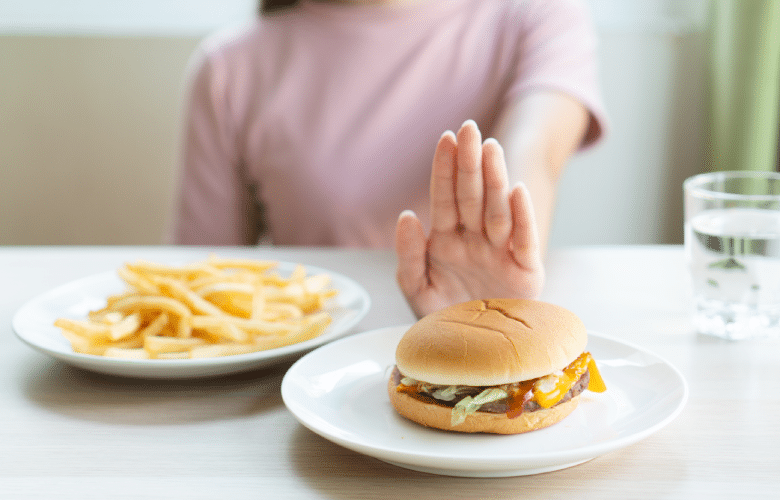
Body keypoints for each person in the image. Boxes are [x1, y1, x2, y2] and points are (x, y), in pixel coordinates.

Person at [170, 0, 607, 318]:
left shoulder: (538, 16)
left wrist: (495, 271)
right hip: (300, 372)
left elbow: (533, 152)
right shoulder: (228, 67)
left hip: (480, 333)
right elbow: (206, 285)